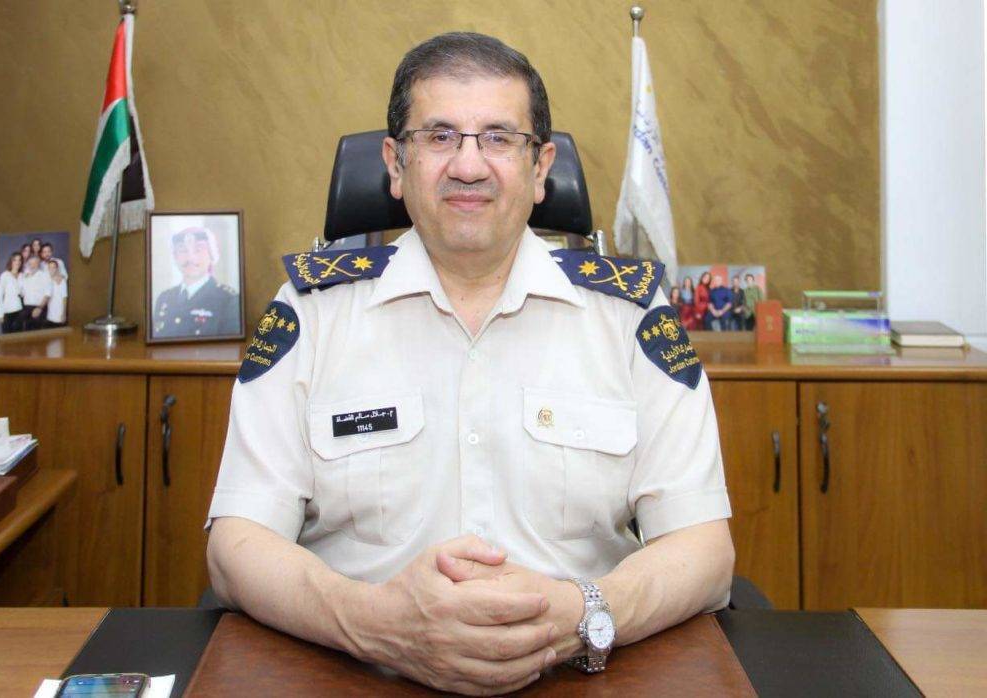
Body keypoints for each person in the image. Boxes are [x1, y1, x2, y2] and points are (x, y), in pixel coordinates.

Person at [205, 32, 732, 696]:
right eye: (440, 136)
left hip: (580, 676)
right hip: (354, 675)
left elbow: (705, 552)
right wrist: (373, 623)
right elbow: (237, 545)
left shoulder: (630, 317)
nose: (468, 165)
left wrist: (579, 615)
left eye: (499, 138)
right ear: (396, 165)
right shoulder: (312, 312)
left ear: (541, 168)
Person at [152, 226, 240, 339]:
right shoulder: (164, 298)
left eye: (198, 250)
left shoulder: (228, 299)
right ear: (175, 256)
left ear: (212, 255)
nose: (190, 258)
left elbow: (230, 346)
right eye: (183, 250)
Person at [19, 255, 52, 331]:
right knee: (26, 333)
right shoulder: (25, 277)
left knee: (37, 333)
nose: (32, 265)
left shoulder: (45, 275)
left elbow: (48, 294)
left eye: (35, 263)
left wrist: (39, 308)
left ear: (39, 263)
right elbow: (21, 293)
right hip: (26, 308)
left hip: (39, 307)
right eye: (30, 263)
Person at [0, 252, 24, 333]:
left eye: (19, 260)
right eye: (15, 260)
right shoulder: (5, 275)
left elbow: (23, 293)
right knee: (7, 336)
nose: (17, 262)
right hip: (7, 310)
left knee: (18, 337)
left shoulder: (22, 275)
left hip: (19, 310)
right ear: (11, 261)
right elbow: (0, 295)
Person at [45, 260, 68, 327]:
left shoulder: (62, 281)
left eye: (53, 267)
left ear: (57, 269)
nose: (52, 269)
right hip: (49, 314)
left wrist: (64, 313)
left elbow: (64, 297)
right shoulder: (47, 280)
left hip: (59, 314)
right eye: (50, 268)